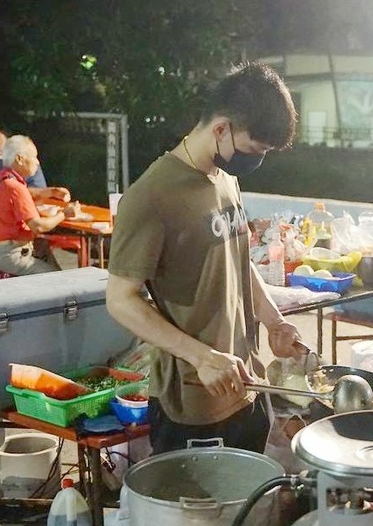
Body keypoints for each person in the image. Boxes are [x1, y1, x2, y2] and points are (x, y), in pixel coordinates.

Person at [105, 63, 305, 455]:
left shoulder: (226, 178)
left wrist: (274, 321)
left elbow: (239, 258)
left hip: (247, 385)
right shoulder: (151, 196)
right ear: (220, 129)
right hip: (193, 402)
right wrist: (202, 356)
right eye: (253, 149)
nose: (255, 160)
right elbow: (120, 299)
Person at [0, 135, 70, 276]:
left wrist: (52, 191)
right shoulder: (15, 187)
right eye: (34, 157)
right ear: (19, 159)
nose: (37, 162)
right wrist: (64, 214)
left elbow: (27, 193)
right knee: (56, 279)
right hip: (10, 255)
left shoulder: (1, 179)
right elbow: (39, 226)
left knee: (42, 246)